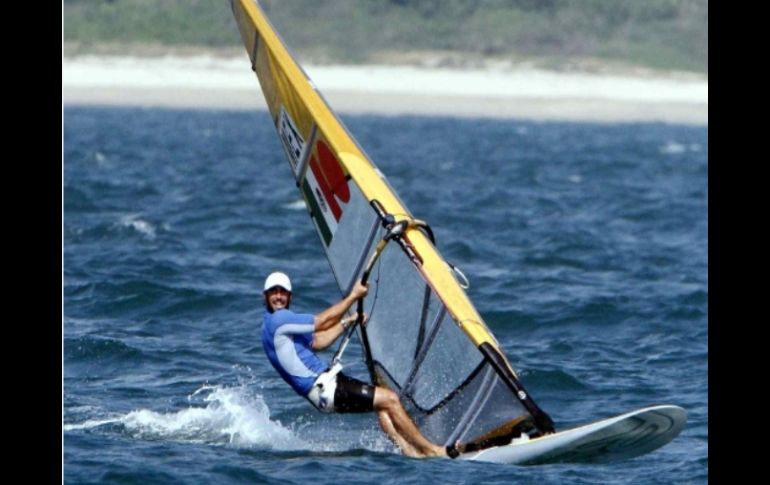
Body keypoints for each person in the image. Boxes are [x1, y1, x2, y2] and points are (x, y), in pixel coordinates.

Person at [261, 271, 450, 458]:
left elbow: (319, 341)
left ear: (290, 296)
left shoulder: (278, 326)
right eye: (273, 292)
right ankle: (431, 450)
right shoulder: (278, 320)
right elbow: (322, 321)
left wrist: (347, 321)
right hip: (326, 389)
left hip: (325, 389)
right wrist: (353, 296)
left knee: (382, 405)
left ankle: (411, 452)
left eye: (282, 292)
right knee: (390, 399)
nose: (278, 296)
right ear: (265, 296)